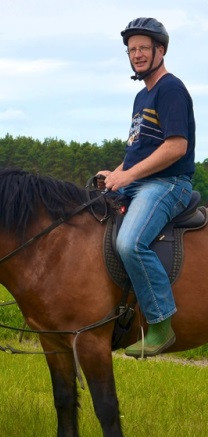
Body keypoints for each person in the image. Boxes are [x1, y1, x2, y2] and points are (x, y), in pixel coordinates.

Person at [97, 17, 195, 358]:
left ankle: (160, 323)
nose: (136, 54)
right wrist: (115, 174)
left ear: (160, 50)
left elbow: (175, 147)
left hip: (168, 184)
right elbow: (139, 150)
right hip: (139, 182)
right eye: (131, 49)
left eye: (143, 48)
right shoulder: (142, 96)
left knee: (130, 242)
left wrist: (129, 176)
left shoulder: (171, 89)